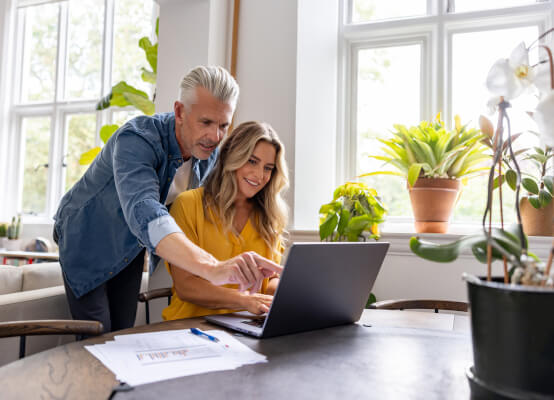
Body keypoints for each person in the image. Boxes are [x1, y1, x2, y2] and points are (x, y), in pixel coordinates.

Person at [53, 66, 282, 334]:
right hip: (88, 238)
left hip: (129, 247)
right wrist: (212, 267)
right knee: (97, 337)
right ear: (179, 112)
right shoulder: (136, 140)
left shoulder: (209, 153)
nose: (215, 136)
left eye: (223, 125)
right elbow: (145, 211)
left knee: (122, 335)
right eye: (206, 122)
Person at [162, 121, 289, 320]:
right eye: (252, 161)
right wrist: (245, 300)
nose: (259, 175)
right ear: (232, 156)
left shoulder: (270, 217)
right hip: (189, 328)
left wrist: (284, 292)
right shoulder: (188, 205)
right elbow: (186, 285)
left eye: (268, 168)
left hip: (247, 329)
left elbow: (271, 278)